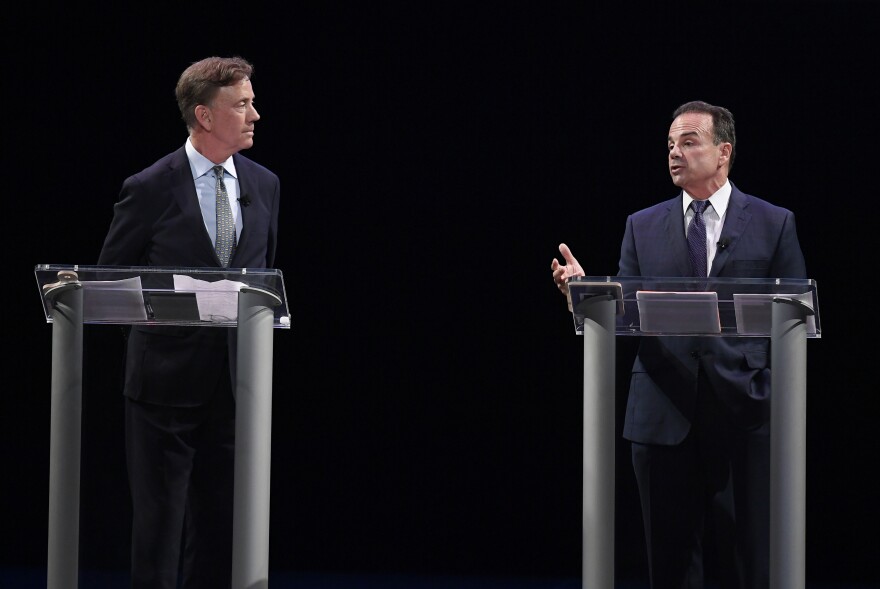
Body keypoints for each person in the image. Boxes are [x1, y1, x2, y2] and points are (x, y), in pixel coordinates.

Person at [551, 100, 806, 588]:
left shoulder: (776, 223)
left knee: (748, 563)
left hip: (744, 415)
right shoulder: (640, 225)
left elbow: (795, 317)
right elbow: (623, 312)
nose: (674, 153)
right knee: (668, 567)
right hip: (662, 415)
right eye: (670, 144)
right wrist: (584, 294)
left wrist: (764, 384)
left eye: (688, 142)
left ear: (723, 151)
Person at [97, 56, 280, 588]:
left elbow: (262, 283)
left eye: (251, 101)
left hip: (236, 388)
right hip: (162, 393)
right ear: (204, 115)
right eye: (241, 104)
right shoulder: (151, 186)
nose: (254, 115)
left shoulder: (265, 184)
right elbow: (110, 283)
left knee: (223, 531)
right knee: (159, 532)